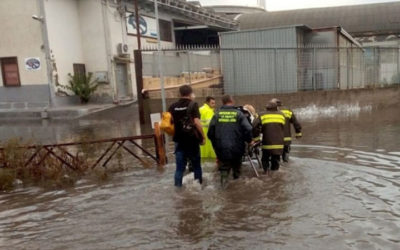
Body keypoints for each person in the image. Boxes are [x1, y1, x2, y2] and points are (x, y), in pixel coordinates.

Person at [207, 95, 253, 185]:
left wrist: (216, 144)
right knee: (237, 170)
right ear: (231, 101)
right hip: (237, 148)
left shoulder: (217, 114)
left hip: (222, 148)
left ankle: (223, 188)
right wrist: (249, 140)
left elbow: (210, 133)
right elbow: (248, 129)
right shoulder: (239, 114)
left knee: (224, 170)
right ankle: (237, 191)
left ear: (223, 102)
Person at [168, 85, 205, 187]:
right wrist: (203, 137)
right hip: (192, 140)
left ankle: (177, 189)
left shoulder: (173, 106)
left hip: (179, 140)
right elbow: (197, 122)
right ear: (190, 93)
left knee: (179, 168)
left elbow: (169, 123)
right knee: (196, 166)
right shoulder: (193, 104)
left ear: (180, 94)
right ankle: (198, 187)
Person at [253, 101, 285, 172]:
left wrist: (257, 139)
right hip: (279, 144)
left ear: (266, 108)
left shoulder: (262, 115)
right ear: (276, 107)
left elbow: (254, 126)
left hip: (267, 143)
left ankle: (266, 173)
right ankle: (275, 174)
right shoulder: (282, 115)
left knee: (265, 159)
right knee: (276, 160)